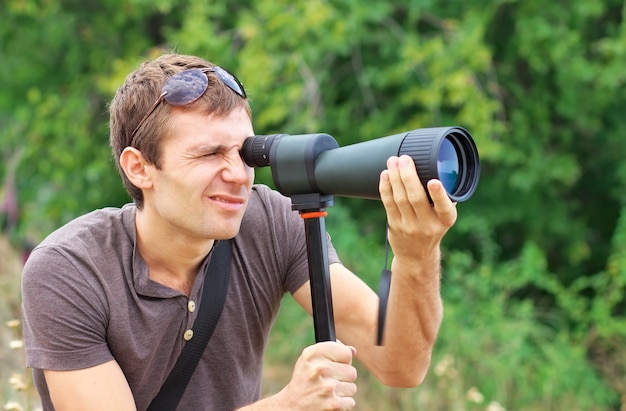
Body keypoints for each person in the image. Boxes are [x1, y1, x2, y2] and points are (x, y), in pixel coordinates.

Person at [21, 53, 457, 411]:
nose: (238, 175)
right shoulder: (69, 270)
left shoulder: (270, 220)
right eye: (209, 153)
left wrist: (416, 255)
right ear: (140, 168)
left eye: (245, 152)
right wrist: (287, 406)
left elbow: (400, 365)